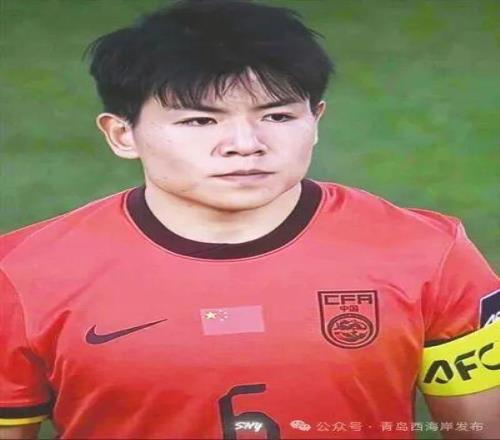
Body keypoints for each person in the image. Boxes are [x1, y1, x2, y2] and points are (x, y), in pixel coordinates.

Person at [1, 0, 498, 439]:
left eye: (278, 116)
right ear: (121, 134)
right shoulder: (20, 275)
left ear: (316, 121)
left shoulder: (428, 252)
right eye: (200, 120)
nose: (246, 144)